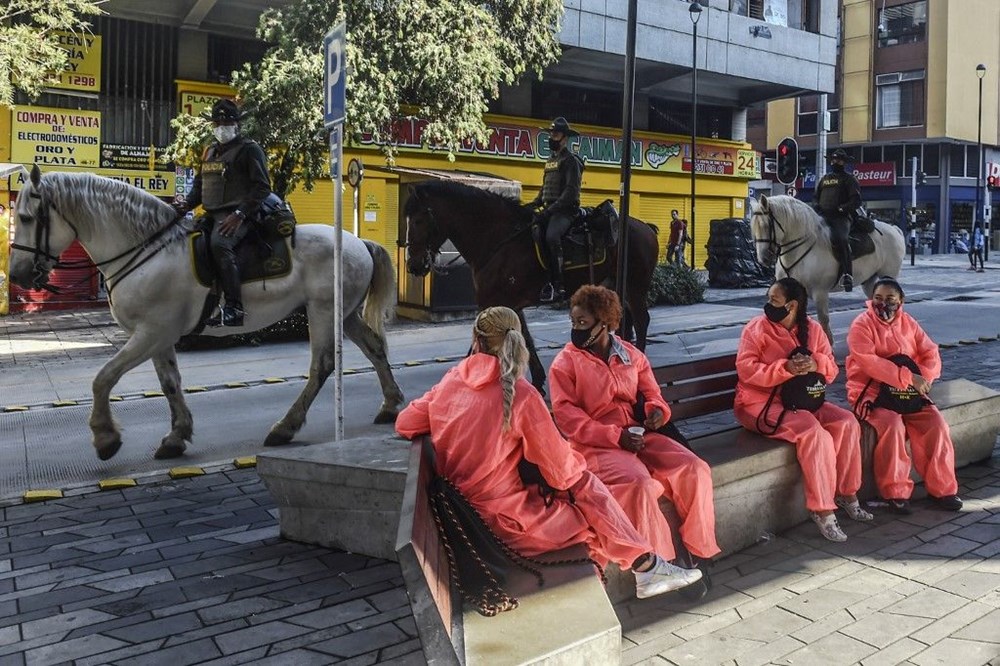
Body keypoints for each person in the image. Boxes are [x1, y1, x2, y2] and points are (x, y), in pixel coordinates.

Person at [395, 306, 703, 598]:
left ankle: (645, 569)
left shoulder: (451, 381)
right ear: (517, 340)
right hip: (506, 522)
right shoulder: (521, 394)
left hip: (468, 515)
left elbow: (406, 422)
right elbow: (562, 472)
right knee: (590, 512)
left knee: (589, 497)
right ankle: (633, 578)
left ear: (475, 340)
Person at [549, 285, 721, 567]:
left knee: (695, 468)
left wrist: (657, 412)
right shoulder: (565, 363)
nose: (576, 329)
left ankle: (699, 549)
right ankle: (661, 564)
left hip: (640, 435)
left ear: (604, 322)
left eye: (583, 322)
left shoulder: (631, 355)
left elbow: (654, 395)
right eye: (574, 322)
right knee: (639, 484)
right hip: (598, 445)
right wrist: (616, 436)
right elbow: (568, 418)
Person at [734, 277, 872, 542]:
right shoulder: (757, 329)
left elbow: (831, 371)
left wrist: (814, 364)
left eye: (774, 300)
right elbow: (746, 370)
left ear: (792, 305)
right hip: (757, 405)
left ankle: (847, 493)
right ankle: (822, 509)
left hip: (803, 401)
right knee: (812, 431)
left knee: (846, 422)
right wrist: (783, 369)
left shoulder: (814, 330)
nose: (768, 305)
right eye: (769, 299)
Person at [846, 276, 963, 514]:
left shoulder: (908, 322)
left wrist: (925, 379)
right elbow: (869, 362)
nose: (883, 304)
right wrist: (910, 377)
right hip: (873, 393)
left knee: (936, 425)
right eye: (878, 298)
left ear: (901, 301)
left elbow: (930, 351)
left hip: (910, 393)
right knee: (892, 426)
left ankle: (942, 489)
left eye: (890, 299)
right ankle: (895, 492)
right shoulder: (861, 324)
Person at [173, 99, 271, 327]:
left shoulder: (249, 149)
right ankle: (203, 303)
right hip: (211, 215)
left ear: (237, 124)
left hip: (239, 216)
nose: (221, 126)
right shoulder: (210, 151)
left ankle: (233, 307)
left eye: (226, 122)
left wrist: (239, 214)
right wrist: (186, 204)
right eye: (217, 122)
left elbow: (262, 187)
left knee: (219, 245)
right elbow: (200, 186)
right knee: (186, 243)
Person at [528, 117, 582, 303]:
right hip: (550, 209)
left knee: (552, 236)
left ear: (565, 138)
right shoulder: (551, 160)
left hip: (566, 211)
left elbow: (570, 192)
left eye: (556, 134)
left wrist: (550, 211)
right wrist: (535, 203)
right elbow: (545, 187)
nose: (552, 137)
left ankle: (559, 284)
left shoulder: (571, 161)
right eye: (550, 134)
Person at [813, 148, 861, 292]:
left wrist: (841, 209)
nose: (835, 162)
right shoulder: (825, 179)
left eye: (838, 160)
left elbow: (856, 201)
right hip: (823, 216)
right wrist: (816, 207)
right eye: (833, 160)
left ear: (844, 162)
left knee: (841, 239)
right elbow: (815, 197)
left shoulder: (849, 179)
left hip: (841, 217)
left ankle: (847, 275)